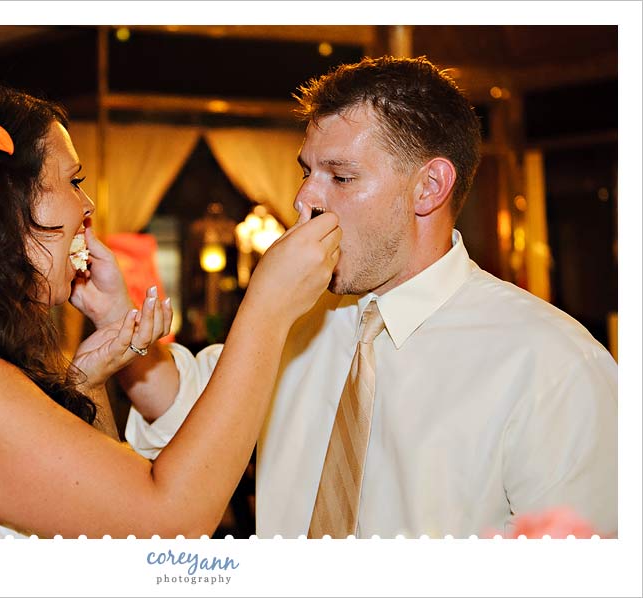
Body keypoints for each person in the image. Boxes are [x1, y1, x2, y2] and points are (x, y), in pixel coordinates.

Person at [96, 56, 618, 539]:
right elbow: (191, 407)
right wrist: (116, 316)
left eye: (341, 176)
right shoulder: (296, 318)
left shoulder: (553, 365)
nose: (304, 198)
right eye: (307, 171)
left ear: (429, 187)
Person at [0, 82, 342, 538]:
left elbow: (102, 540)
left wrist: (88, 383)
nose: (88, 205)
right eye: (73, 181)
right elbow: (168, 525)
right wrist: (266, 310)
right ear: (4, 205)